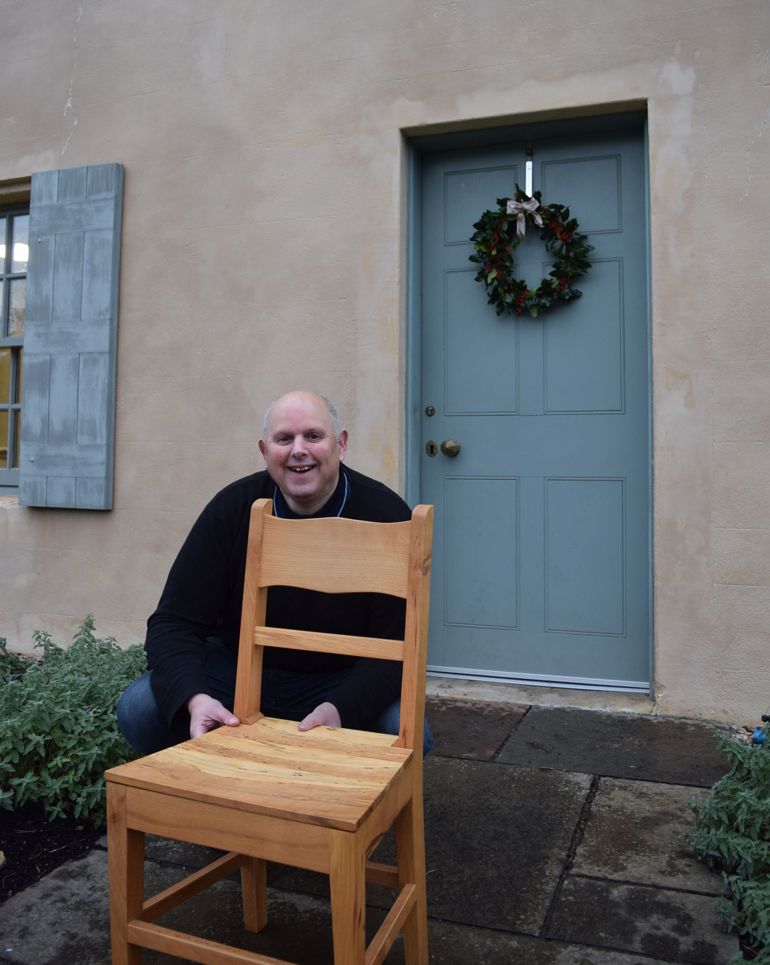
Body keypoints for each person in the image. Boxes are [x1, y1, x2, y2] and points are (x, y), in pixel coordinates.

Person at [117, 390, 431, 755]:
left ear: (341, 445)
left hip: (336, 681)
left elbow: (396, 648)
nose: (299, 450)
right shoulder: (233, 509)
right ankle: (219, 797)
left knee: (404, 730)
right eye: (284, 439)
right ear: (266, 452)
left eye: (313, 436)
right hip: (238, 673)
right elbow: (173, 621)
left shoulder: (386, 516)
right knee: (140, 706)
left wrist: (339, 709)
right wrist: (195, 698)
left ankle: (342, 808)